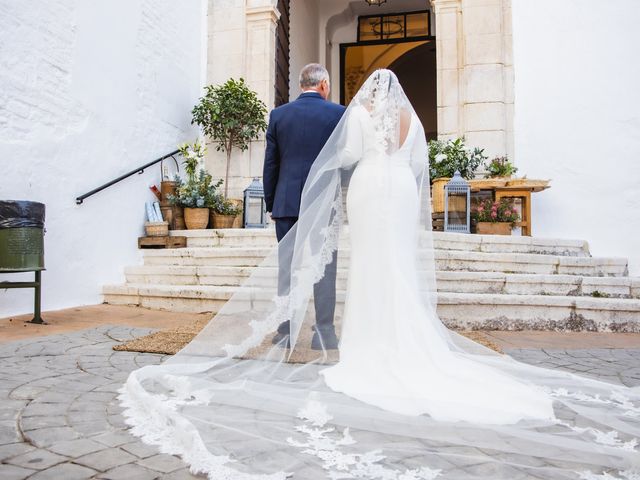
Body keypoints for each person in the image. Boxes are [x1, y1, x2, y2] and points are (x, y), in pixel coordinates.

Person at [120, 69, 640, 480]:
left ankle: (311, 328)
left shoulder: (352, 118)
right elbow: (418, 164)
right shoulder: (410, 123)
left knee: (357, 263)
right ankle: (362, 331)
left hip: (365, 186)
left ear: (370, 93)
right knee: (391, 263)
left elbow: (338, 160)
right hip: (398, 190)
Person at [263, 63, 345, 350]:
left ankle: (284, 332)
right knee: (324, 268)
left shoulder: (279, 115)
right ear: (323, 85)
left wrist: (272, 203)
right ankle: (324, 333)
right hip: (323, 203)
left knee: (287, 268)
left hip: (287, 203)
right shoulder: (339, 114)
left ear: (301, 85)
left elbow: (271, 164)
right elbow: (344, 162)